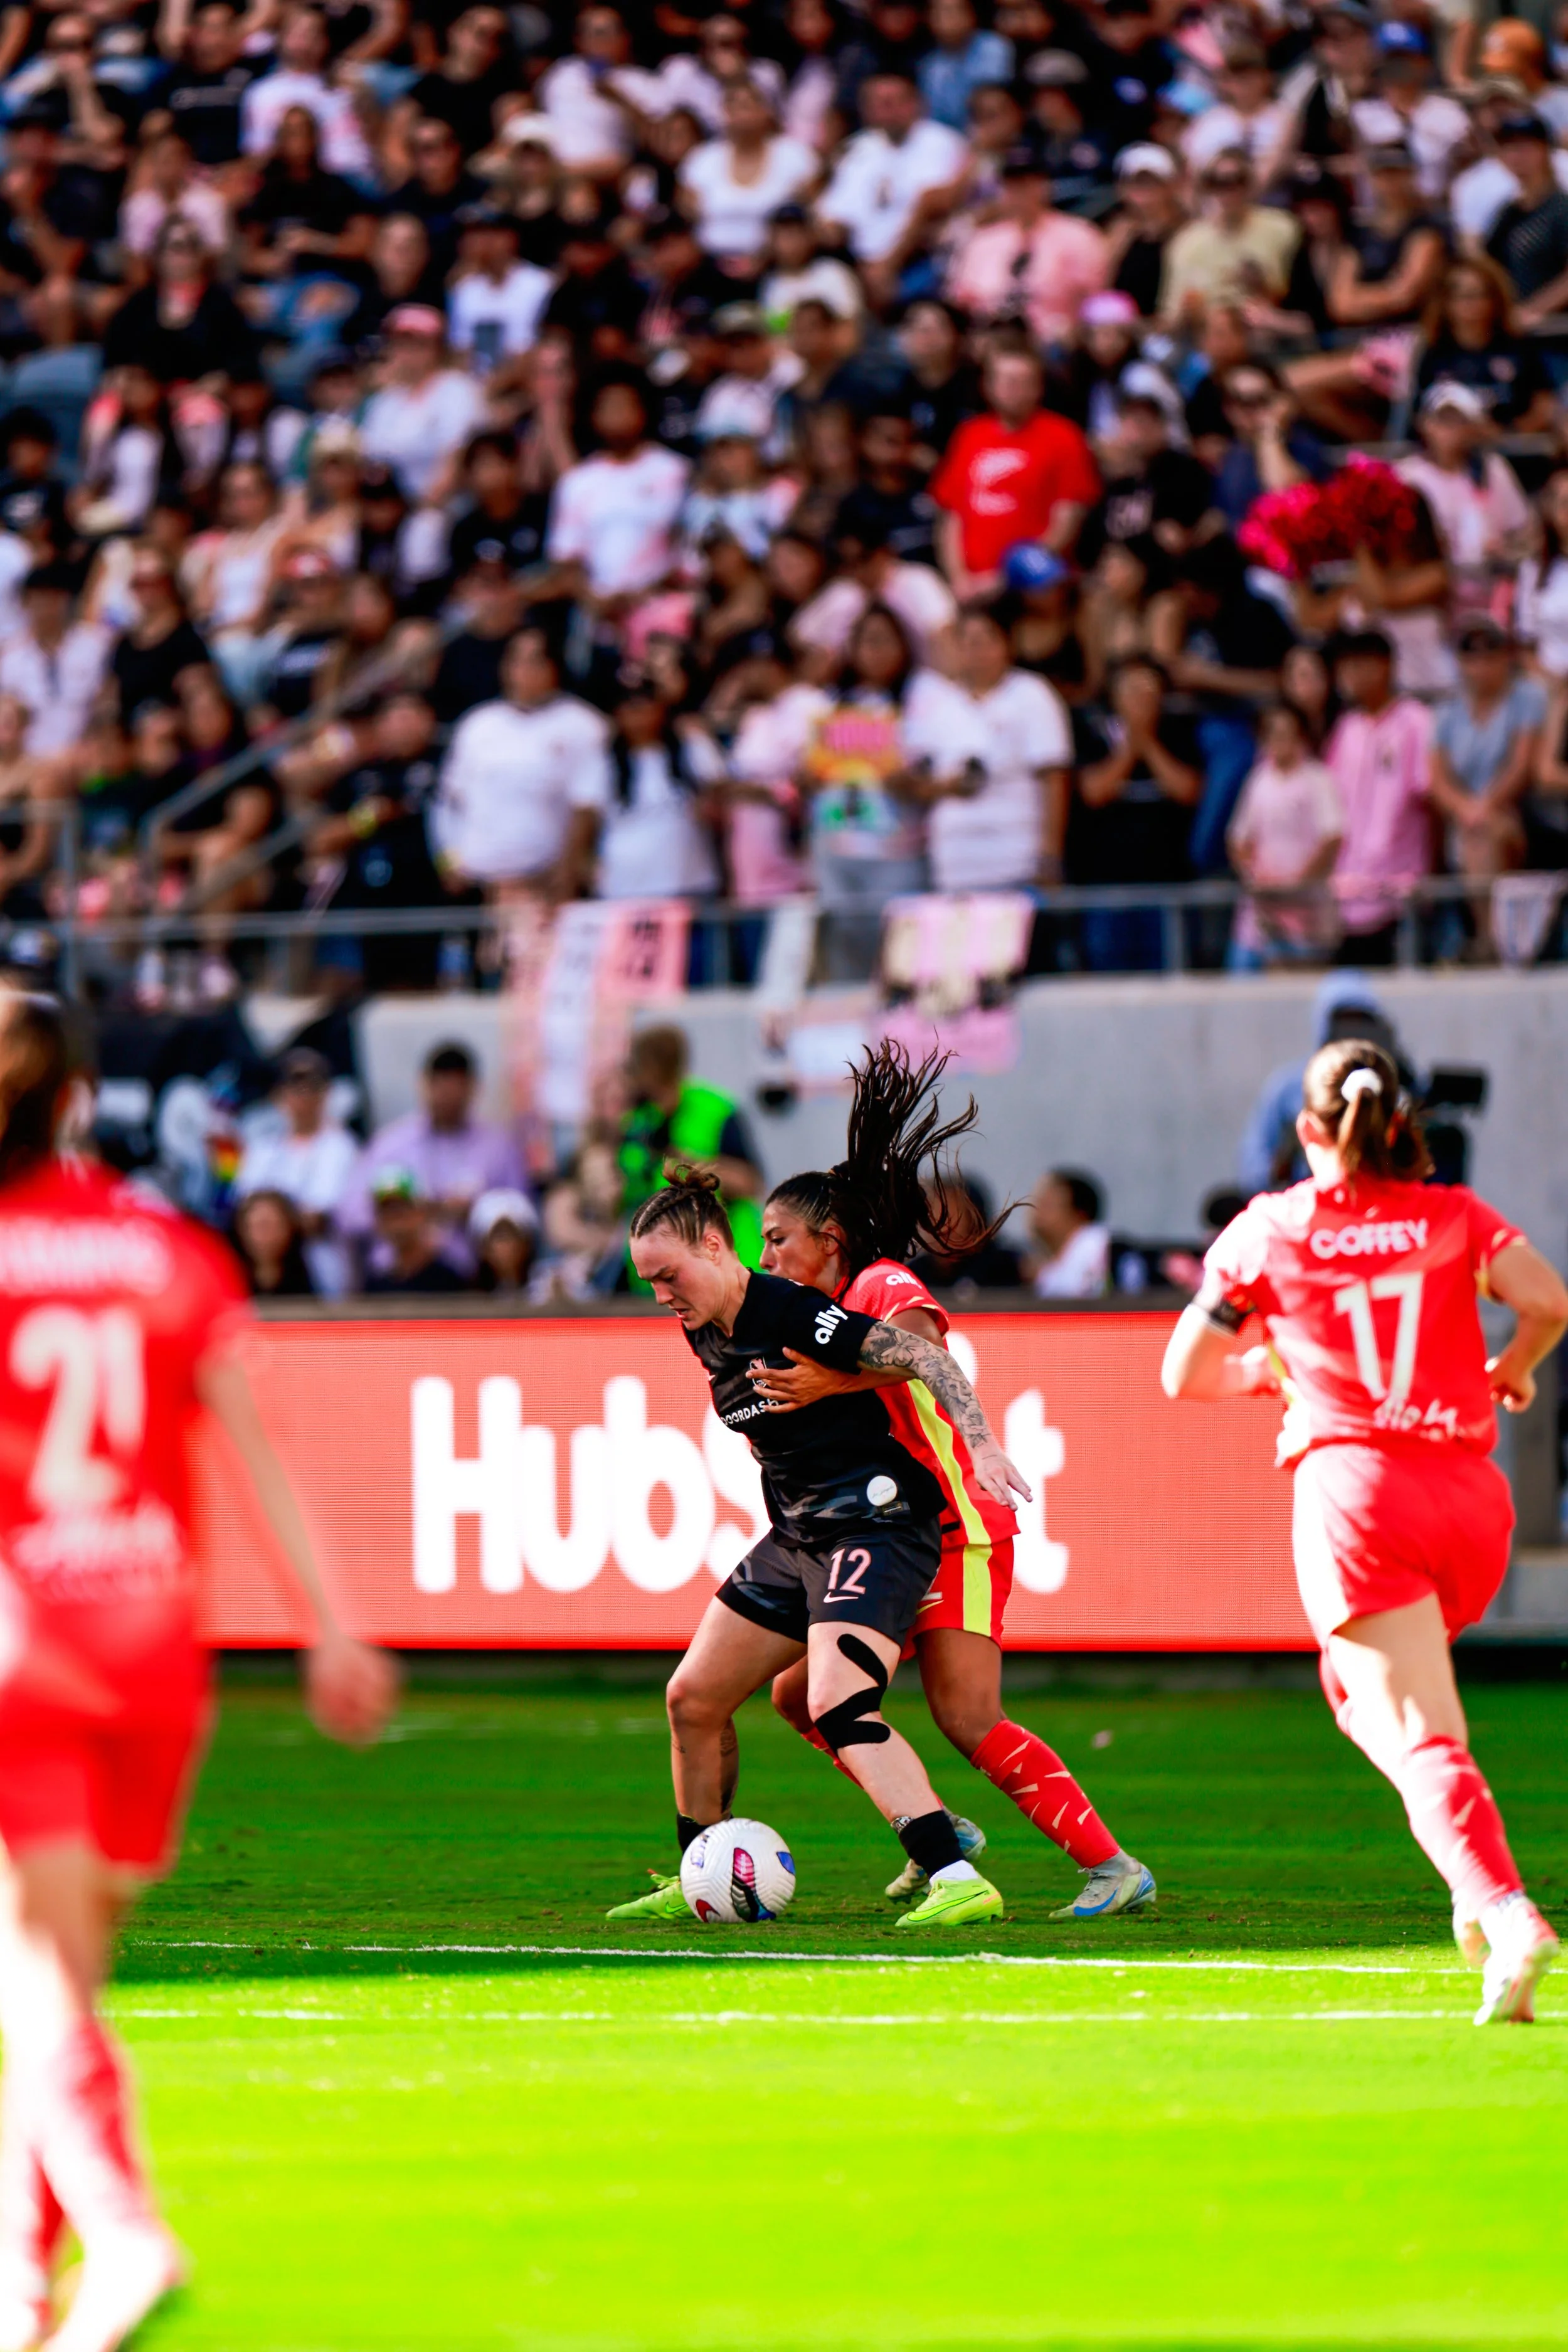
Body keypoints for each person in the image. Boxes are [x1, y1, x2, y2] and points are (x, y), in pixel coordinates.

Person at [0, 991, 394, 2352]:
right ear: (80, 1102)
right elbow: (255, 1452)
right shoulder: (172, 1253)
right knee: (56, 1986)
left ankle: (121, 2234)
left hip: (28, 1642)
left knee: (32, 1975)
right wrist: (330, 1625)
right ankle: (16, 2297)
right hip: (157, 1648)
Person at [1162, 1035, 1568, 2025]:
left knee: (1421, 1732)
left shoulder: (1271, 1228)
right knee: (1358, 1696)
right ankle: (1471, 1871)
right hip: (1471, 1500)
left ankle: (1502, 1908)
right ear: (1401, 1126)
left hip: (1358, 1494)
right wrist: (1513, 1366)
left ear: (1308, 1130)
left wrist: (1271, 1369)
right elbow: (1549, 1303)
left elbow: (1185, 1373)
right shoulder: (1454, 1214)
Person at [758, 1044, 1152, 1915]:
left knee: (967, 1715)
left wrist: (848, 1388)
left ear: (827, 1239)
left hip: (958, 1526)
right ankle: (933, 1824)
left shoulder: (880, 1281)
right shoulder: (818, 1310)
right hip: (894, 1528)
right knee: (803, 1695)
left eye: (777, 1239)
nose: (767, 1258)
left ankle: (1113, 1864)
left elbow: (925, 1353)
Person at [607, 1164, 1025, 1930]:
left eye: (668, 1275)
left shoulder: (793, 1310)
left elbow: (924, 1356)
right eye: (649, 1283)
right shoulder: (701, 1325)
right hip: (801, 1532)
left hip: (877, 1524)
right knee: (692, 1700)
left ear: (714, 1245)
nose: (661, 1295)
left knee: (837, 1701)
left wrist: (984, 1444)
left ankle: (957, 1876)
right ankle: (698, 1867)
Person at [430, 624, 610, 903]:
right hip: (478, 886)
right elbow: (448, 803)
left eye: (534, 660)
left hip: (547, 887)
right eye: (515, 659)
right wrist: (449, 862)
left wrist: (566, 874)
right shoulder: (478, 724)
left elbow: (589, 807)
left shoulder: (583, 724)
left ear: (555, 666)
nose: (523, 670)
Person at [341, 1039, 524, 1279]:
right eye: (440, 1086)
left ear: (474, 1088)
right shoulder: (392, 1143)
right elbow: (350, 1216)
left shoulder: (498, 1148)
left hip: (472, 1277)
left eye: (456, 1087)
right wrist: (406, 1212)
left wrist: (477, 1212)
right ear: (424, 1084)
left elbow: (523, 1220)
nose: (447, 1096)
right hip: (397, 1274)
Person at [931, 341, 1098, 600]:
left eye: (1024, 382)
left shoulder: (1064, 436)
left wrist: (1003, 580)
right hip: (969, 585)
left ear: (1039, 387)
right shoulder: (968, 434)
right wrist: (959, 579)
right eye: (1008, 381)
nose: (1015, 390)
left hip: (1033, 582)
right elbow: (952, 518)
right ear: (988, 386)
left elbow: (1066, 521)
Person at [618, 1024, 764, 1270]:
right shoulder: (637, 1121)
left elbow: (749, 1183)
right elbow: (624, 1187)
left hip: (726, 1260)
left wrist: (684, 1163)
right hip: (657, 1269)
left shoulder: (715, 1109)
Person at [233, 1046, 359, 1298]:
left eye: (311, 1086)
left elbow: (319, 1218)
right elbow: (245, 1211)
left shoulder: (342, 1147)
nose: (303, 1096)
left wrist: (274, 1221)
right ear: (280, 1094)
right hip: (267, 1280)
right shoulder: (262, 1148)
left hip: (324, 1280)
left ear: (326, 1093)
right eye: (295, 1086)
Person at [1227, 701, 1344, 972]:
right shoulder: (1257, 780)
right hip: (1261, 909)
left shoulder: (1318, 779)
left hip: (1306, 912)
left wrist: (1296, 887)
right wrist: (1253, 877)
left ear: (1300, 737)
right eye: (1272, 734)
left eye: (1286, 733)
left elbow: (1332, 839)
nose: (1279, 741)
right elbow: (1238, 838)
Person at [361, 1168, 470, 1295]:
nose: (395, 1221)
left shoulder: (450, 1282)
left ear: (422, 1213)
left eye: (400, 1210)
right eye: (386, 1211)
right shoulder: (374, 1287)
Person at [1026, 1167, 1110, 1299]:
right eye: (1036, 1203)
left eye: (1048, 1205)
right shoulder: (1048, 1268)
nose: (1036, 1212)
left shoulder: (1096, 1243)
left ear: (1081, 1215)